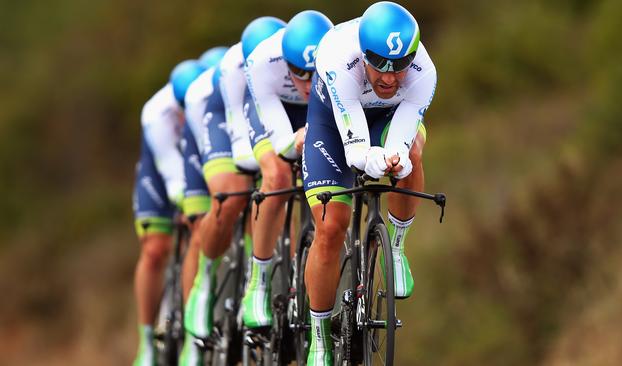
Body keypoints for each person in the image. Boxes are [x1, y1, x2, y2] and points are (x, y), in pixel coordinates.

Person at [301, 2, 437, 364]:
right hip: (334, 122)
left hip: (388, 118)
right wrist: (371, 157)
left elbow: (404, 138)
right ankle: (319, 338)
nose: (390, 79)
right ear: (363, 55)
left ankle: (395, 248)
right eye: (379, 66)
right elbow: (355, 149)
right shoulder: (336, 55)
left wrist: (395, 156)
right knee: (331, 229)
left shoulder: (425, 72)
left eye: (399, 68)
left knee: (413, 156)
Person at [183, 17, 285, 341]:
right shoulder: (233, 70)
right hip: (221, 117)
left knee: (287, 190)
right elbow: (242, 147)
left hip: (272, 109)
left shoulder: (286, 64)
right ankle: (205, 278)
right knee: (234, 195)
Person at [240, 10, 333, 329]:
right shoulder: (263, 61)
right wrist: (295, 143)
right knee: (278, 176)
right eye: (298, 72)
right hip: (274, 115)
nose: (307, 82)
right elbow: (281, 142)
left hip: (316, 113)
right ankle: (258, 282)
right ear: (284, 60)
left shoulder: (340, 56)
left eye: (314, 73)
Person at [132, 59, 206, 366]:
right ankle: (147, 341)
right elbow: (174, 176)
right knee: (155, 249)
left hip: (200, 158)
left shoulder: (210, 96)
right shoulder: (156, 113)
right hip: (162, 171)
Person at [177, 47, 228, 366]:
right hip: (199, 152)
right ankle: (190, 337)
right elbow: (203, 152)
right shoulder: (191, 102)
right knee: (200, 229)